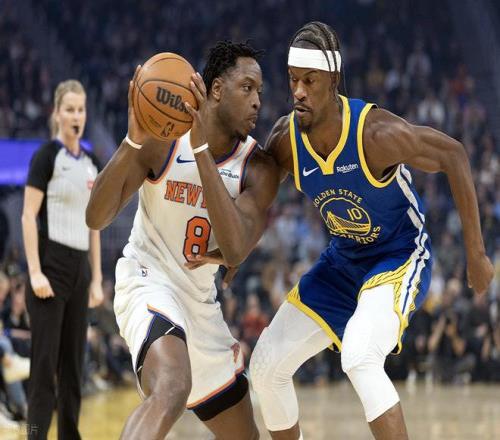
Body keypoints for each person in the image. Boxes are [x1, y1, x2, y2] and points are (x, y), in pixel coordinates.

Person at [249, 21, 494, 440]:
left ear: (333, 81)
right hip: (343, 260)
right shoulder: (286, 141)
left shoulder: (375, 134)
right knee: (265, 368)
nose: (298, 91)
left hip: (398, 254)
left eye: (310, 80)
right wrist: (232, 255)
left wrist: (476, 254)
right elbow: (255, 201)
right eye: (293, 80)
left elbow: (453, 155)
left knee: (360, 355)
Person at [86, 41, 279, 440]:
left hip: (200, 304)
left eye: (260, 91)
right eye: (247, 88)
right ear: (216, 90)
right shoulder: (163, 138)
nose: (257, 101)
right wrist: (132, 141)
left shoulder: (257, 167)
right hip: (148, 280)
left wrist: (202, 148)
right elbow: (96, 217)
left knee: (245, 436)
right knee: (172, 387)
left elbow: (235, 249)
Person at [21, 80, 104, 439]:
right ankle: (35, 435)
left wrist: (96, 278)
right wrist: (35, 272)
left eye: (81, 109)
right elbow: (28, 216)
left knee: (74, 366)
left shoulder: (92, 164)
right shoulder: (46, 156)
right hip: (50, 267)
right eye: (69, 109)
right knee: (44, 368)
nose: (76, 116)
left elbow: (94, 225)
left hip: (80, 271)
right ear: (57, 113)